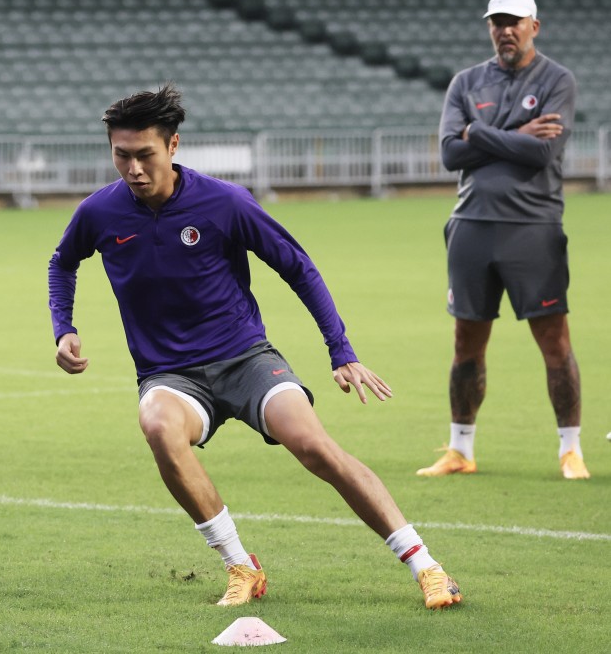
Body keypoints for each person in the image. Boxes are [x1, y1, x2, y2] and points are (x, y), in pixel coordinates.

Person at [47, 84, 461, 610]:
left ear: (173, 145)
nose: (133, 169)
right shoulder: (100, 212)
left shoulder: (224, 202)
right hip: (170, 374)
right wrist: (64, 328)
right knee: (156, 425)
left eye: (145, 155)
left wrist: (341, 350)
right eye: (121, 156)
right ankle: (241, 565)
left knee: (314, 447)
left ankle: (428, 567)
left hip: (245, 358)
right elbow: (62, 261)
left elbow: (297, 267)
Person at [418, 0, 588, 480]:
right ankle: (460, 450)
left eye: (515, 21)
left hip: (533, 226)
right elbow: (451, 153)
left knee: (554, 340)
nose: (505, 30)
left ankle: (570, 450)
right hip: (471, 225)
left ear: (536, 25)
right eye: (497, 22)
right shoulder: (466, 82)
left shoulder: (558, 80)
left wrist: (479, 132)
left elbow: (543, 155)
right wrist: (515, 133)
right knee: (465, 340)